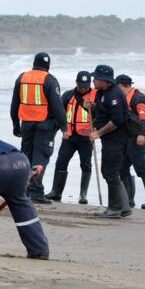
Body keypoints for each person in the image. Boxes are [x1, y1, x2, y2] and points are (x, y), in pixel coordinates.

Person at [10, 52, 67, 204]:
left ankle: (24, 189)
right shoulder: (50, 80)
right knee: (41, 157)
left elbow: (14, 103)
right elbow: (57, 106)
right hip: (45, 124)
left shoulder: (22, 77)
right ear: (48, 66)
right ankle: (36, 192)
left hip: (26, 123)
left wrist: (15, 124)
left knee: (27, 156)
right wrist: (64, 127)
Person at [46, 71, 95, 204]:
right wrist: (58, 131)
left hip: (86, 138)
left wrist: (93, 110)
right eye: (81, 85)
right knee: (61, 162)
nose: (83, 88)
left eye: (85, 86)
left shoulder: (95, 96)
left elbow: (101, 116)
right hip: (69, 136)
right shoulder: (68, 95)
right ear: (76, 83)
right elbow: (59, 115)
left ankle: (83, 194)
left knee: (86, 165)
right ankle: (56, 192)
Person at [89, 65, 131, 219]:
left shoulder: (114, 95)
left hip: (117, 140)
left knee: (110, 172)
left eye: (96, 78)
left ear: (104, 80)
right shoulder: (101, 93)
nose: (93, 80)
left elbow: (116, 120)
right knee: (108, 171)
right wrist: (92, 107)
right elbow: (102, 112)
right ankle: (123, 207)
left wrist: (98, 133)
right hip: (109, 140)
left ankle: (115, 208)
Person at [117, 75, 145, 210]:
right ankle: (129, 200)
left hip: (139, 138)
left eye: (118, 87)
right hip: (127, 138)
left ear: (122, 85)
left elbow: (144, 118)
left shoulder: (138, 98)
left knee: (141, 168)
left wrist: (141, 134)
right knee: (123, 168)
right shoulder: (125, 97)